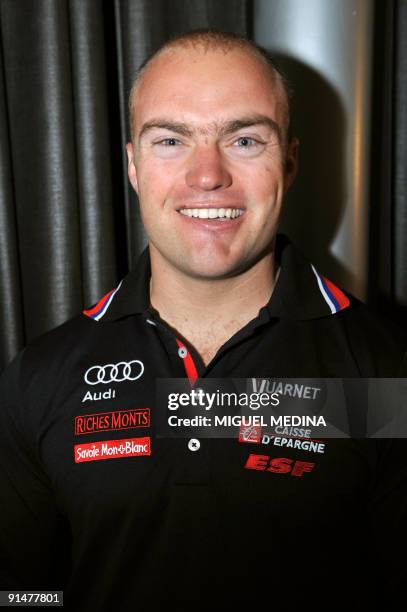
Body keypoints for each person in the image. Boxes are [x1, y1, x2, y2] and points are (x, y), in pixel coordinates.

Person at [0, 29, 406, 611]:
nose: (207, 175)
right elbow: (20, 592)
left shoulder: (386, 372)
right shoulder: (40, 378)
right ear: (134, 165)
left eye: (244, 140)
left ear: (288, 164)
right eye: (171, 140)